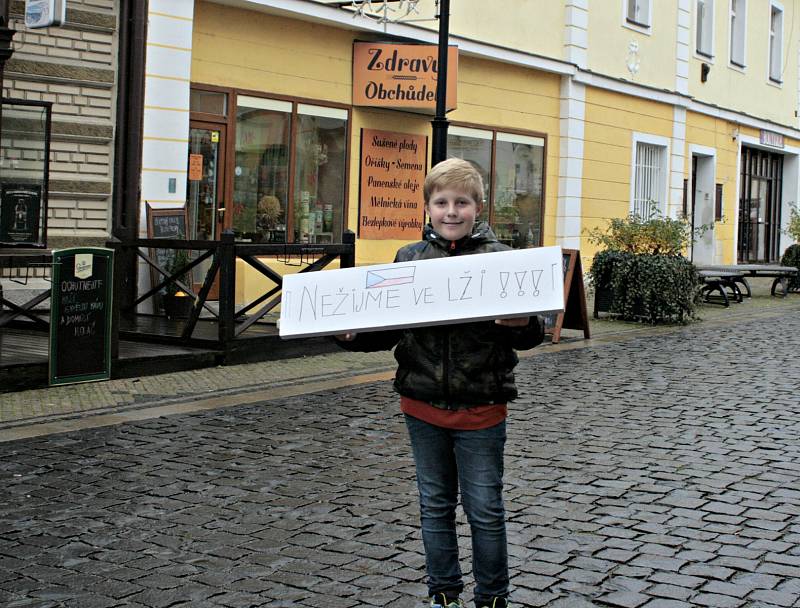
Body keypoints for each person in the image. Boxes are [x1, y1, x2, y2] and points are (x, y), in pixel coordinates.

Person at [336, 158, 545, 608]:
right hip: (422, 405)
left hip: (481, 407)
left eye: (462, 203)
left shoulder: (503, 261)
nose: (452, 212)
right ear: (428, 208)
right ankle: (443, 593)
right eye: (442, 202)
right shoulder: (408, 259)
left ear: (479, 207)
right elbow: (388, 329)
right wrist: (348, 333)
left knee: (485, 510)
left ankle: (492, 597)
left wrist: (521, 323)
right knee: (434, 505)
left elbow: (531, 334)